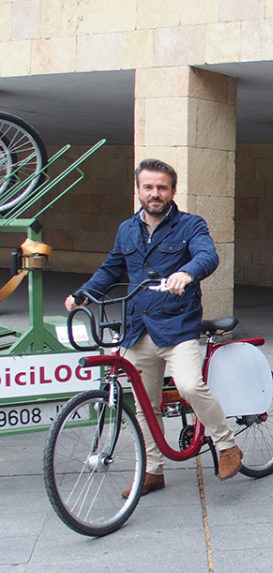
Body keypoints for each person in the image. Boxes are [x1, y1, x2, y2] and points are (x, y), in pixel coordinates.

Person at [64, 158, 243, 497]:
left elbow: (207, 255)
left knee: (190, 385)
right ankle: (152, 470)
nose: (155, 193)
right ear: (138, 190)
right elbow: (111, 268)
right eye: (148, 187)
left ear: (173, 190)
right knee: (145, 403)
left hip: (177, 327)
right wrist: (84, 294)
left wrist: (186, 273)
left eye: (162, 187)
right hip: (138, 327)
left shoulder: (190, 225)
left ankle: (226, 443)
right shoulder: (127, 229)